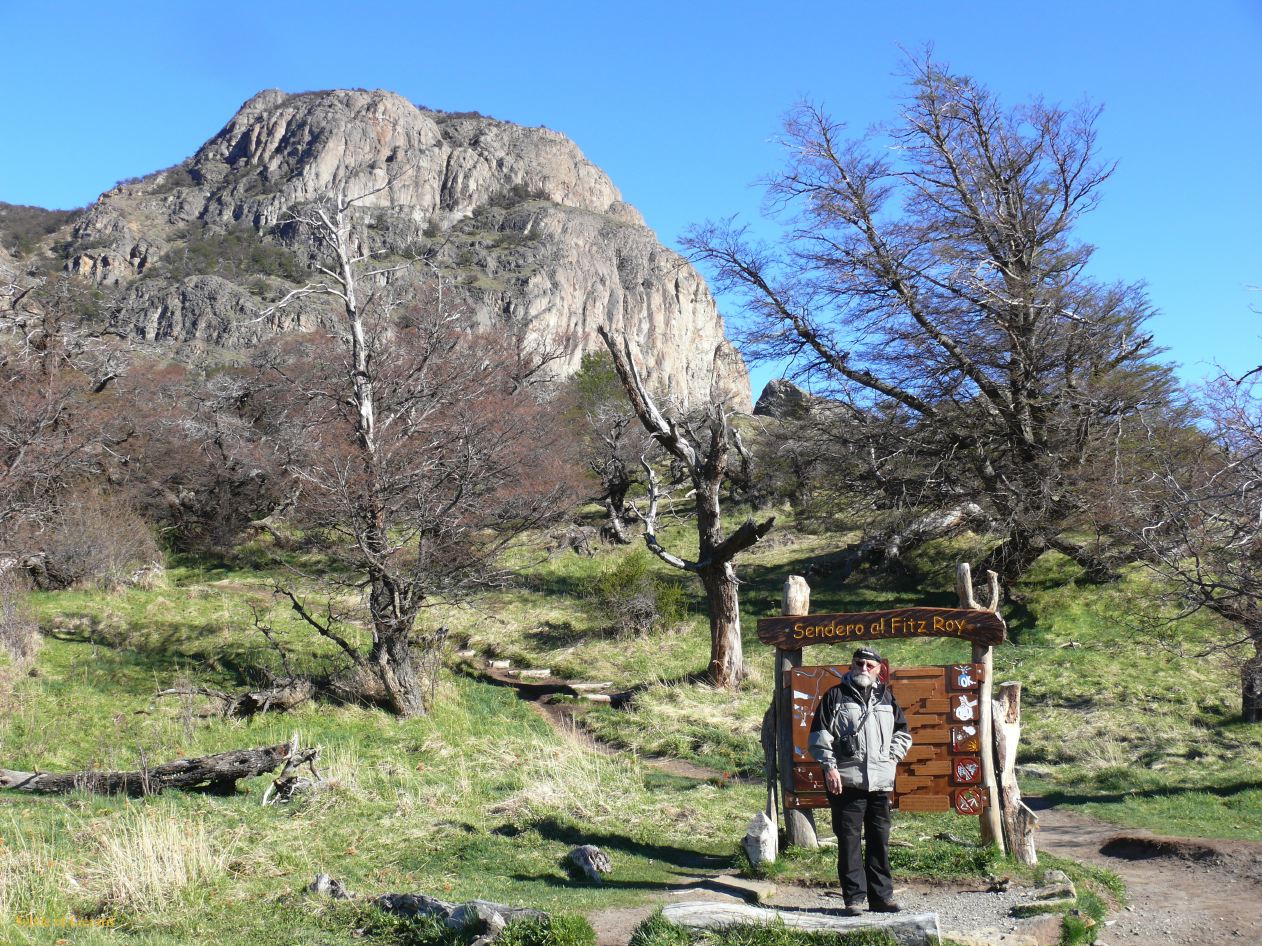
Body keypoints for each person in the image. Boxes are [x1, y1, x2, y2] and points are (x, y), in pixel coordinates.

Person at [808, 646, 912, 916]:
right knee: (849, 842)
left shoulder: (886, 697)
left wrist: (891, 759)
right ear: (852, 666)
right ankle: (853, 899)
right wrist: (830, 768)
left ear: (879, 669)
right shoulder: (835, 696)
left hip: (880, 784)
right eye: (858, 663)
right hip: (847, 782)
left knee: (880, 841)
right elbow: (819, 736)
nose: (863, 668)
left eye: (869, 665)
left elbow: (902, 733)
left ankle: (881, 898)